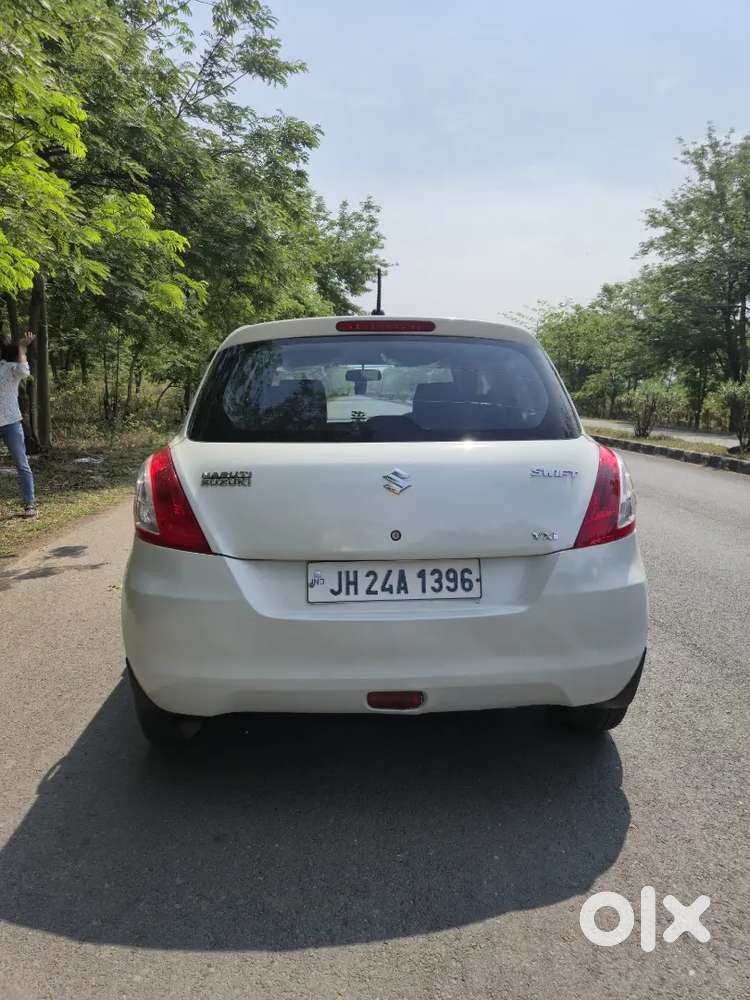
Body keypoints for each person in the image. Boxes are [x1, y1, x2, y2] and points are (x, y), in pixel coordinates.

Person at [0, 332, 37, 518]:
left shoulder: (10, 367)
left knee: (22, 464)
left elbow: (25, 372)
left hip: (11, 422)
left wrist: (22, 348)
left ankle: (30, 504)